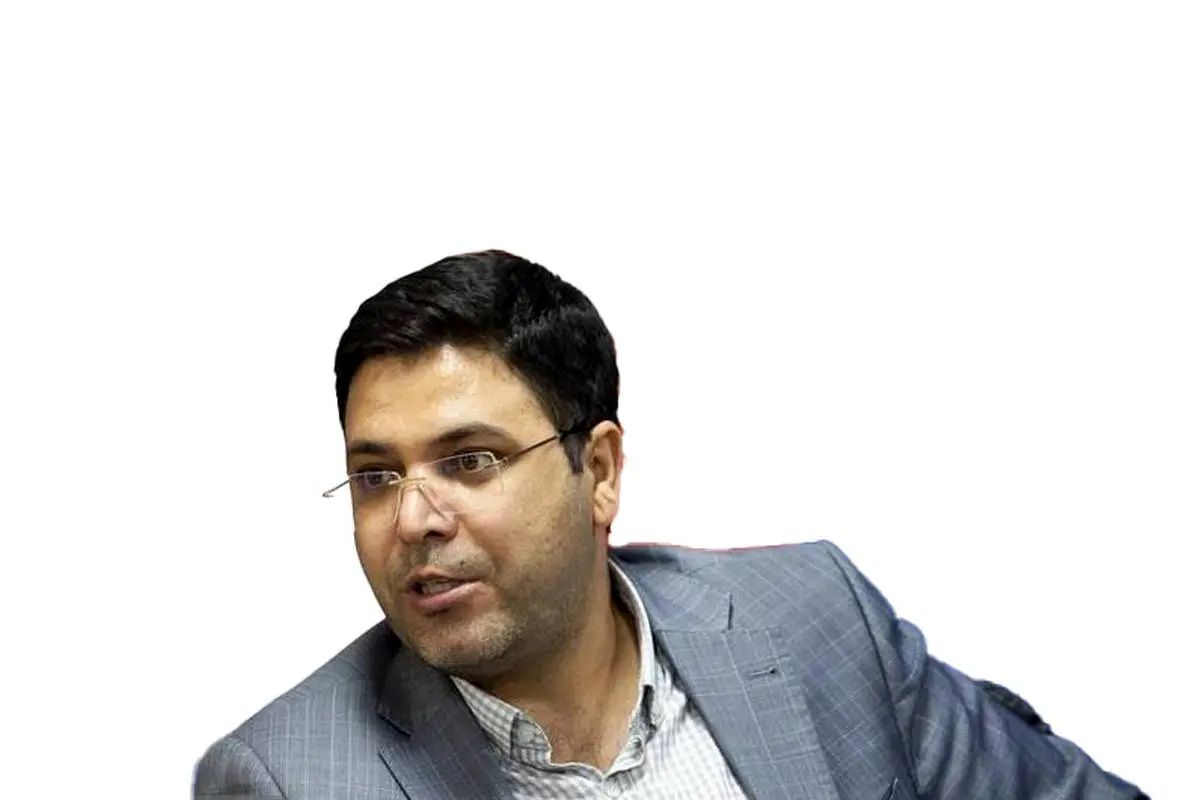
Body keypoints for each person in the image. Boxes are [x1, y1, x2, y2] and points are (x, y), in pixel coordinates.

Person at [194, 250, 1146, 799]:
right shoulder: (288, 779)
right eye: (375, 476)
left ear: (599, 472)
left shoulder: (815, 617)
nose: (412, 518)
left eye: (470, 461)